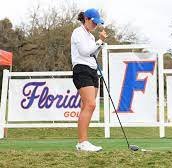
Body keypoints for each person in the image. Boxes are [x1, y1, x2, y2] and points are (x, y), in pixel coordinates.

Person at [71, 8, 107, 152]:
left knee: (87, 106)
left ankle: (83, 142)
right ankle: (82, 142)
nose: (95, 25)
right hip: (81, 69)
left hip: (92, 70)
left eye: (97, 23)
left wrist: (99, 45)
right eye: (93, 22)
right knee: (90, 105)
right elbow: (84, 52)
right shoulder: (77, 32)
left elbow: (92, 54)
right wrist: (100, 40)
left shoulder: (91, 37)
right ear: (86, 19)